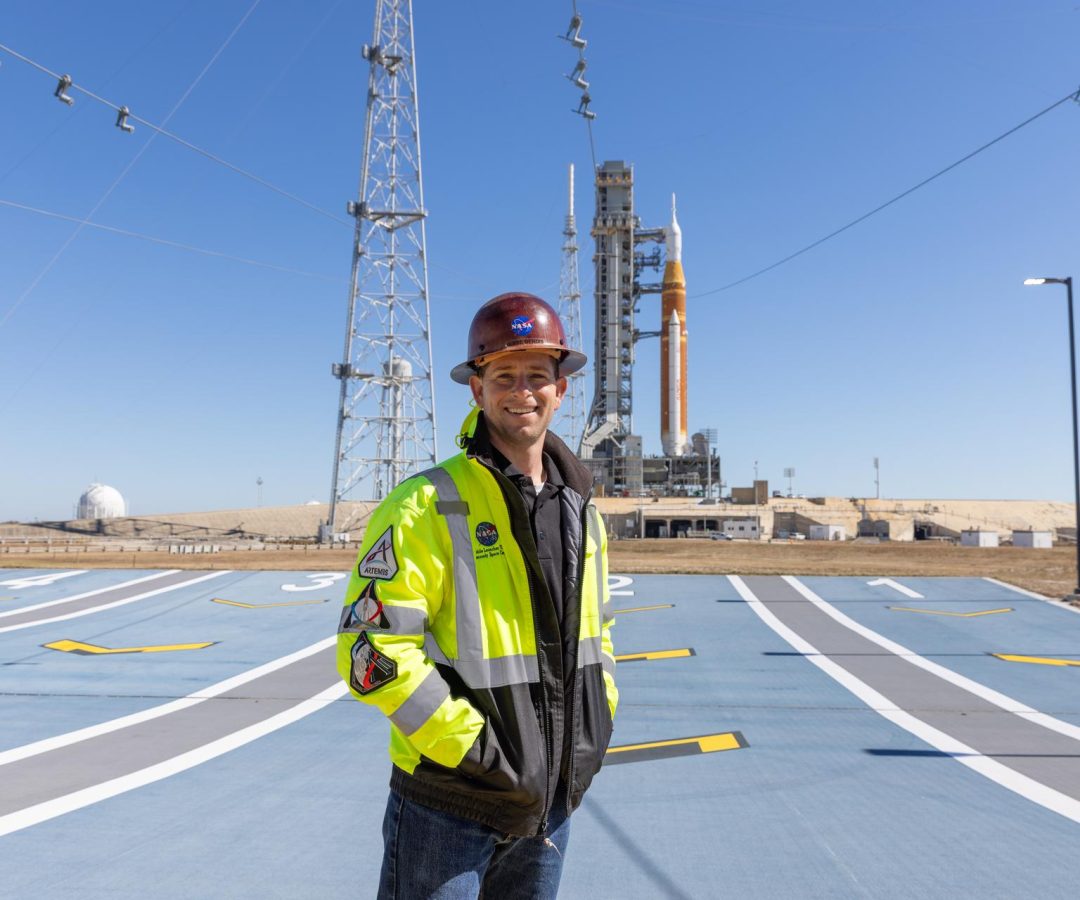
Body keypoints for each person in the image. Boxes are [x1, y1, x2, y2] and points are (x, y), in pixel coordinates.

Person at [336, 292, 618, 899]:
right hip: (450, 806)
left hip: (550, 806)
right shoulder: (427, 505)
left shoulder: (582, 514)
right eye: (505, 375)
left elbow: (600, 637)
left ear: (561, 389)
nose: (523, 391)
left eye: (537, 376)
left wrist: (594, 730)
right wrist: (477, 752)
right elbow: (369, 652)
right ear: (477, 389)